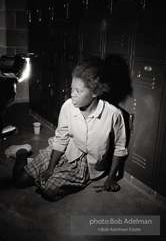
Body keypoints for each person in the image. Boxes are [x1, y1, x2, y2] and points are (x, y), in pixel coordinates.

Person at [4, 57, 128, 201]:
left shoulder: (113, 114)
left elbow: (120, 148)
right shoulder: (68, 106)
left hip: (87, 164)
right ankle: (22, 151)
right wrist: (51, 168)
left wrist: (111, 178)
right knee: (20, 180)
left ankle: (38, 164)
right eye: (71, 89)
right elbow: (61, 139)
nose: (72, 94)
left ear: (95, 92)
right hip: (66, 150)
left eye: (78, 91)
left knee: (48, 190)